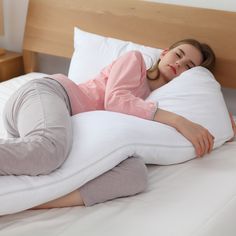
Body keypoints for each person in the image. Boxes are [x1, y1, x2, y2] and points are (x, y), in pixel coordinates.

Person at [0, 39, 235, 207]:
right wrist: (178, 121)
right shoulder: (135, 61)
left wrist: (226, 125)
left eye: (188, 66)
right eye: (179, 54)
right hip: (50, 95)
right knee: (49, 150)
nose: (180, 64)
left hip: (70, 127)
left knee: (135, 174)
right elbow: (116, 100)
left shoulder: (163, 99)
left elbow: (207, 116)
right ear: (164, 53)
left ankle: (41, 201)